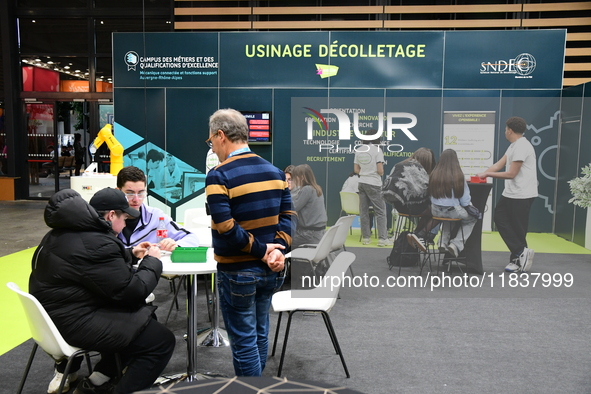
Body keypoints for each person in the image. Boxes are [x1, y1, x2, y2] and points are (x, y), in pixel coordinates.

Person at [29, 188, 175, 394]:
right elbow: (133, 291)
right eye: (124, 217)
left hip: (55, 316)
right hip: (73, 320)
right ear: (111, 215)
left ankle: (100, 378)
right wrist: (152, 260)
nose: (125, 224)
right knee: (160, 341)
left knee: (143, 321)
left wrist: (131, 253)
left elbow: (90, 264)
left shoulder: (65, 232)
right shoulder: (96, 243)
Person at [205, 108, 294, 376]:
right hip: (271, 271)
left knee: (244, 342)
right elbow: (288, 218)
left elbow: (225, 227)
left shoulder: (218, 175)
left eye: (211, 141)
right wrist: (277, 252)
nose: (212, 147)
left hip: (237, 272)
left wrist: (263, 250)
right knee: (259, 333)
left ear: (221, 135)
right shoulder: (276, 173)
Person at [477, 116, 538, 273]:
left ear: (510, 130)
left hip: (522, 194)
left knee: (518, 227)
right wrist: (484, 172)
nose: (505, 132)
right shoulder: (513, 146)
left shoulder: (522, 146)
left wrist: (487, 175)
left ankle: (517, 259)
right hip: (511, 193)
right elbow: (500, 164)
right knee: (499, 217)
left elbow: (511, 174)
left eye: (505, 129)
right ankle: (520, 253)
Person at [116, 166, 199, 250]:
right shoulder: (109, 217)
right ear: (117, 191)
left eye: (141, 193)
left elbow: (191, 238)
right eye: (130, 194)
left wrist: (176, 245)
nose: (136, 199)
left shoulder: (156, 217)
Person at [382, 147, 438, 251]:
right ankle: (420, 235)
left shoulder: (399, 164)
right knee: (437, 212)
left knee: (431, 211)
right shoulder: (420, 169)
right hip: (414, 207)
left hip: (399, 207)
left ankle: (417, 235)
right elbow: (425, 190)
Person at [429, 149, 477, 258]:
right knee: (472, 219)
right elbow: (465, 201)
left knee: (447, 219)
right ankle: (456, 244)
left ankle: (442, 241)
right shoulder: (458, 175)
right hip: (452, 211)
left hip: (435, 211)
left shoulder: (433, 174)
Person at [354, 131, 391, 247]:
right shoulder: (377, 150)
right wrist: (376, 173)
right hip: (374, 183)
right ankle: (382, 239)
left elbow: (356, 170)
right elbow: (380, 170)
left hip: (362, 182)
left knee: (363, 211)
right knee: (380, 211)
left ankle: (366, 238)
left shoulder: (359, 149)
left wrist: (365, 173)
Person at [290, 164, 328, 249]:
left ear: (302, 177)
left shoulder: (306, 190)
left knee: (282, 240)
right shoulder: (317, 188)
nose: (294, 179)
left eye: (295, 177)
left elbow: (294, 208)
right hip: (319, 233)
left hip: (308, 235)